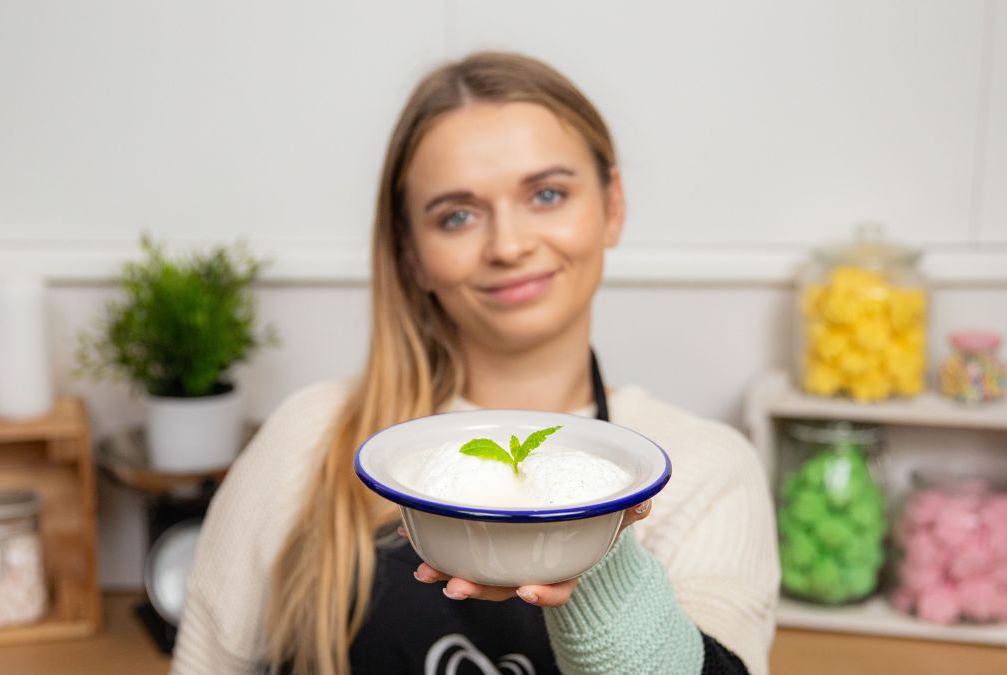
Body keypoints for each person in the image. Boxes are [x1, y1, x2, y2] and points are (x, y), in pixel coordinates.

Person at [171, 52, 778, 675]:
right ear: (412, 253)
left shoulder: (705, 471)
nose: (509, 246)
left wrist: (593, 554)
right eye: (457, 215)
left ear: (612, 205)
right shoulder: (311, 437)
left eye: (547, 194)